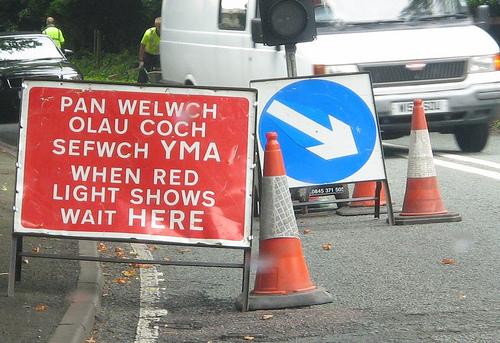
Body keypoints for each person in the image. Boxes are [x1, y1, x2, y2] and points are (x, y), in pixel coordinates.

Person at [137, 17, 161, 83]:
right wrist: (141, 60)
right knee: (143, 72)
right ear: (156, 26)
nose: (161, 29)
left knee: (158, 74)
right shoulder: (149, 33)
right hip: (148, 54)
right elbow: (142, 46)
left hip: (158, 55)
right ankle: (141, 86)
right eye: (159, 27)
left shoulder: (167, 34)